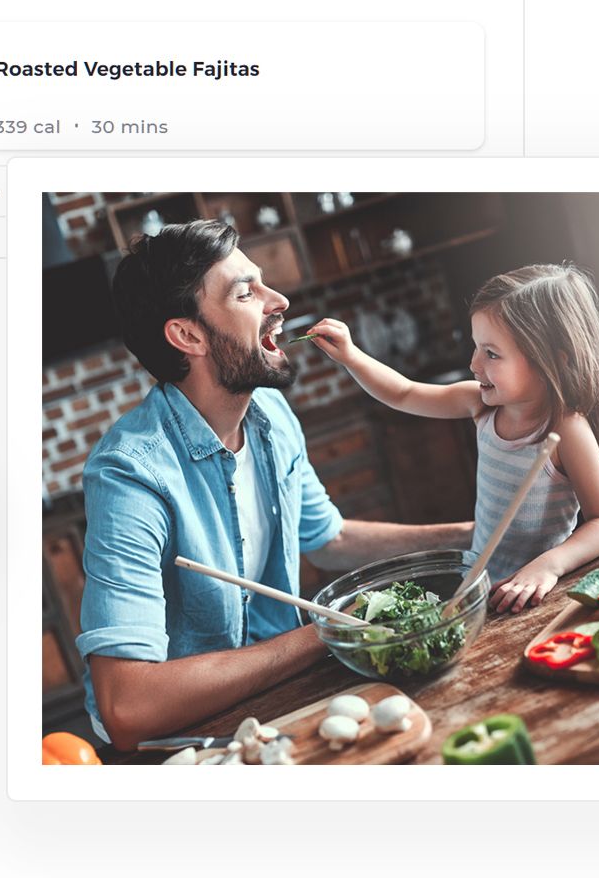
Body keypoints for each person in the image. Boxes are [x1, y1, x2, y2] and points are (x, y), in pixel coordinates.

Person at [76, 220, 472, 751]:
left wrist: (478, 535)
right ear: (188, 335)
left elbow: (327, 538)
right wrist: (326, 631)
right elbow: (127, 706)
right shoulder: (130, 475)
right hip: (179, 751)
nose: (278, 299)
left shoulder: (269, 414)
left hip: (274, 706)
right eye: (246, 292)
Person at [305, 263, 599, 615]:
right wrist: (351, 356)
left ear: (552, 363)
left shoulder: (565, 429)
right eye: (476, 347)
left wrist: (549, 566)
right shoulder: (480, 405)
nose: (474, 364)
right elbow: (404, 394)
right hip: (479, 588)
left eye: (491, 353)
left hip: (534, 596)